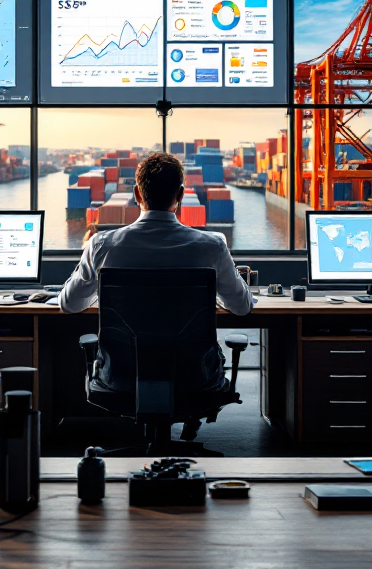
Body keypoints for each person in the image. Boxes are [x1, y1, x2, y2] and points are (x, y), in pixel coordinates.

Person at [60, 151, 253, 396]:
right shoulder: (213, 245)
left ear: (137, 194)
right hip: (194, 377)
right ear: (181, 195)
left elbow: (69, 304)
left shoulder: (101, 245)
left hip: (120, 377)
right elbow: (242, 307)